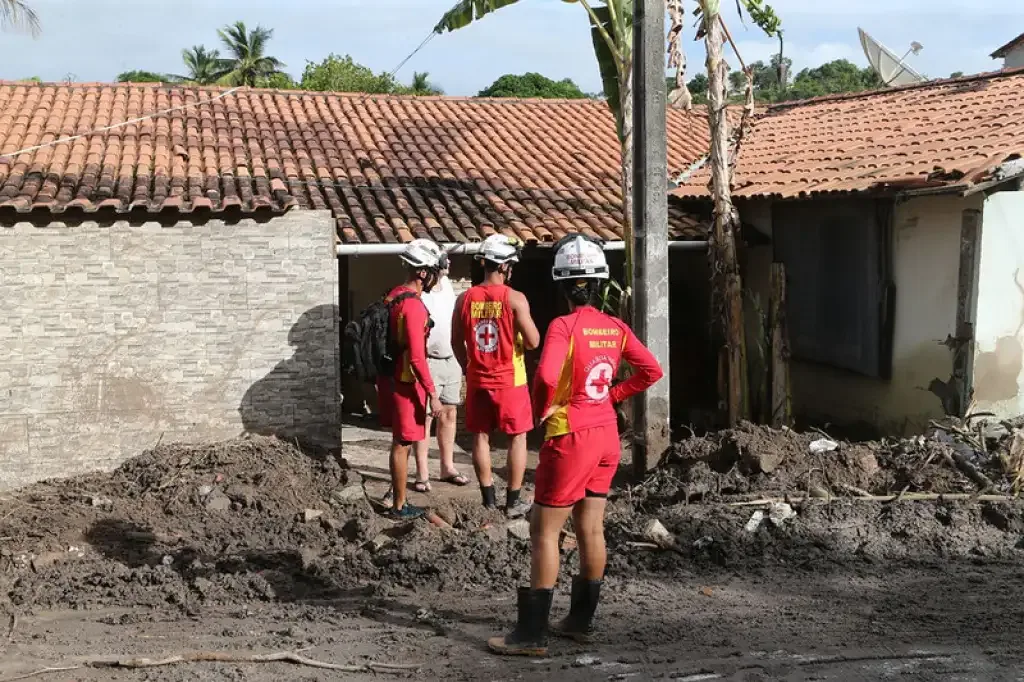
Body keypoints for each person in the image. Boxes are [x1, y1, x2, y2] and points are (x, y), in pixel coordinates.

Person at [487, 233, 665, 656]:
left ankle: (530, 636)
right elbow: (651, 370)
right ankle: (579, 622)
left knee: (544, 531)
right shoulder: (615, 326)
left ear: (563, 285)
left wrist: (541, 410)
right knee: (590, 526)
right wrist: (615, 396)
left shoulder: (563, 326)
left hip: (571, 436)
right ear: (599, 284)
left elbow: (547, 376)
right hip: (606, 435)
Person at [452, 234, 540, 518]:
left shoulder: (464, 299)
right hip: (510, 382)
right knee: (518, 438)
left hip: (477, 379)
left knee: (480, 436)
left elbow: (456, 341)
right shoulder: (515, 298)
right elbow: (534, 342)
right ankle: (513, 501)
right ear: (503, 267)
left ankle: (489, 501)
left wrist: (468, 367)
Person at [385, 238, 445, 519]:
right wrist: (433, 393)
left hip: (393, 378)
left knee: (401, 441)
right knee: (403, 443)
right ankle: (399, 505)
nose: (436, 277)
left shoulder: (393, 295)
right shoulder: (413, 307)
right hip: (407, 383)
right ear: (423, 272)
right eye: (434, 271)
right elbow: (417, 357)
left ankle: (398, 496)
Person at [412, 252, 469, 491]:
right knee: (424, 417)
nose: (449, 265)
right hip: (428, 360)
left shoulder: (446, 286)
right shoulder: (421, 290)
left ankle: (447, 467)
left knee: (449, 413)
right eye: (444, 261)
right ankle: (422, 473)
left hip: (451, 358)